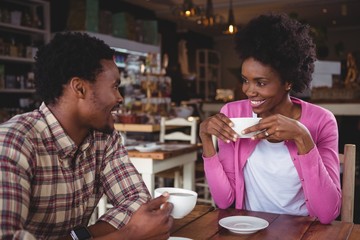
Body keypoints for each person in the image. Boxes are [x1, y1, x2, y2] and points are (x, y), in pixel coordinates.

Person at [0, 32, 173, 240]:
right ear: (80, 88)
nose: (120, 98)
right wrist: (129, 234)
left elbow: (137, 200)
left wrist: (80, 237)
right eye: (115, 86)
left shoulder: (104, 138)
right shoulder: (13, 142)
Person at [199, 13, 341, 224]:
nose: (249, 91)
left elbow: (328, 213)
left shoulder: (322, 121)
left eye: (261, 83)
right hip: (248, 228)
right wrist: (206, 140)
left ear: (288, 82)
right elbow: (223, 200)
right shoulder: (233, 114)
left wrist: (302, 137)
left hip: (302, 231)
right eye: (245, 80)